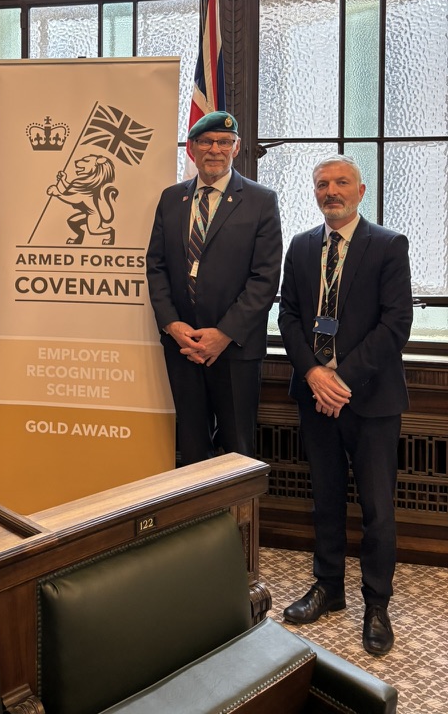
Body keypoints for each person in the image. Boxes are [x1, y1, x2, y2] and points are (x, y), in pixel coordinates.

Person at [279, 156, 412, 657]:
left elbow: (395, 325)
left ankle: (376, 604)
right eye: (321, 185)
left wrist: (341, 378)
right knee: (326, 498)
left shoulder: (388, 245)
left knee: (377, 508)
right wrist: (315, 374)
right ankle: (328, 587)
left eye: (340, 184)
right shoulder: (302, 245)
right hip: (314, 395)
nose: (330, 191)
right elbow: (289, 314)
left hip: (370, 399)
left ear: (360, 190)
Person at [146, 111, 282, 464]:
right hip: (183, 346)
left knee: (238, 450)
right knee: (192, 447)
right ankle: (199, 520)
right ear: (192, 149)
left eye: (224, 142)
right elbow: (156, 267)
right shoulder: (171, 199)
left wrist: (222, 335)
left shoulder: (260, 200)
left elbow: (265, 279)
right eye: (206, 142)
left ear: (236, 148)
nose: (215, 150)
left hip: (235, 348)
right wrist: (173, 326)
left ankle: (239, 521)